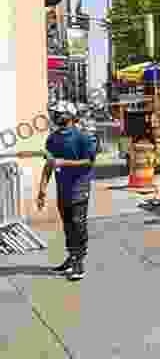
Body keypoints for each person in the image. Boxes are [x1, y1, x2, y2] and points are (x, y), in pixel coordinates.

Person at [36, 103, 97, 281]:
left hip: (79, 188)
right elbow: (49, 164)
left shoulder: (83, 137)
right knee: (68, 225)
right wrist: (41, 189)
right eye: (54, 114)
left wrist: (63, 162)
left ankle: (79, 261)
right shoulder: (53, 138)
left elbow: (88, 162)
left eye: (59, 114)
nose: (56, 116)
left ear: (70, 115)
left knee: (78, 224)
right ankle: (71, 257)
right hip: (62, 189)